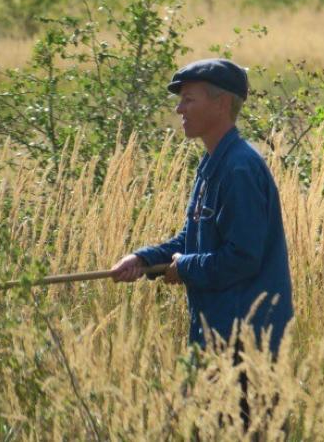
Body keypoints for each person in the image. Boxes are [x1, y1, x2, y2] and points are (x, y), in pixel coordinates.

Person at [109, 58, 294, 358]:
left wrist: (184, 267)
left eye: (188, 100)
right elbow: (191, 240)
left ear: (220, 104)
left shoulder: (239, 169)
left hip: (246, 342)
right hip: (215, 334)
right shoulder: (212, 164)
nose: (179, 109)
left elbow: (242, 258)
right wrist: (141, 259)